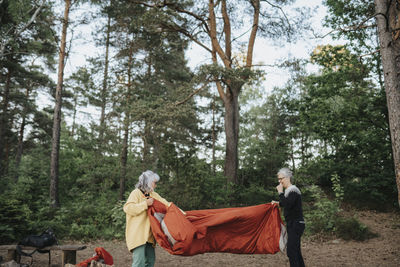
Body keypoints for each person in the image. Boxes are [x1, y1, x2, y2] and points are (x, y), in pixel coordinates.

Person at [123, 170, 171, 267]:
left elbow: (166, 204)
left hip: (150, 237)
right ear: (148, 182)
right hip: (138, 235)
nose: (155, 185)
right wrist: (145, 204)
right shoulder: (135, 193)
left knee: (150, 261)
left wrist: (182, 213)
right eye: (154, 183)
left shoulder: (153, 195)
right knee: (139, 263)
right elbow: (128, 208)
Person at [276, 167, 305, 267]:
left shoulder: (293, 190)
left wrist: (280, 192)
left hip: (296, 224)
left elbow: (288, 204)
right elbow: (285, 203)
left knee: (291, 252)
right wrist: (277, 203)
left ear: (288, 177)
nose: (280, 181)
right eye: (278, 179)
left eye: (281, 179)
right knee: (295, 251)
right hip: (293, 224)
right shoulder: (289, 191)